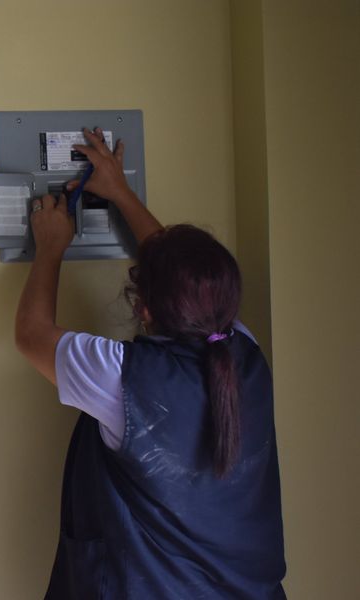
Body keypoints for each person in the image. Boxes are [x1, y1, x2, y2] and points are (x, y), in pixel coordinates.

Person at [15, 129, 286, 599]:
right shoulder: (245, 350)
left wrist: (52, 246)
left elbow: (31, 335)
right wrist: (120, 192)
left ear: (143, 309)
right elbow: (184, 275)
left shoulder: (120, 377)